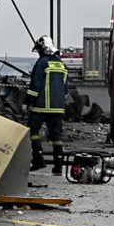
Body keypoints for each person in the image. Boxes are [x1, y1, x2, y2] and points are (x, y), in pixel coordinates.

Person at [27, 39, 70, 171]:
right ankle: (58, 165)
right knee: (56, 136)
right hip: (58, 108)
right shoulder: (61, 64)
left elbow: (35, 85)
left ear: (43, 49)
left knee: (33, 132)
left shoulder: (41, 63)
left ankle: (39, 160)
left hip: (41, 106)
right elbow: (65, 88)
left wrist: (26, 102)